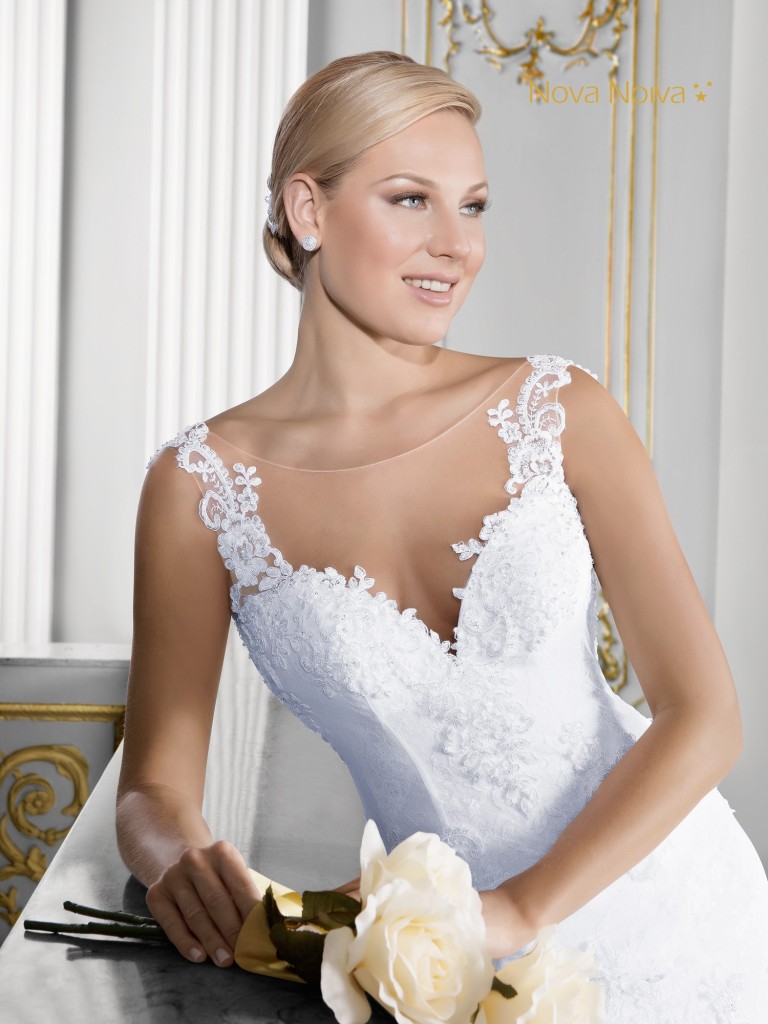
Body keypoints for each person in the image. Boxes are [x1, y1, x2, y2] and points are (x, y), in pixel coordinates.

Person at [116, 50, 768, 1021]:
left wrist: (519, 909)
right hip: (439, 966)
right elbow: (152, 787)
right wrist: (181, 863)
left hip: (683, 913)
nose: (457, 244)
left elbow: (706, 714)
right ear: (308, 210)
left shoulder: (560, 409)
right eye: (411, 199)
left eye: (474, 206)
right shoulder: (199, 487)